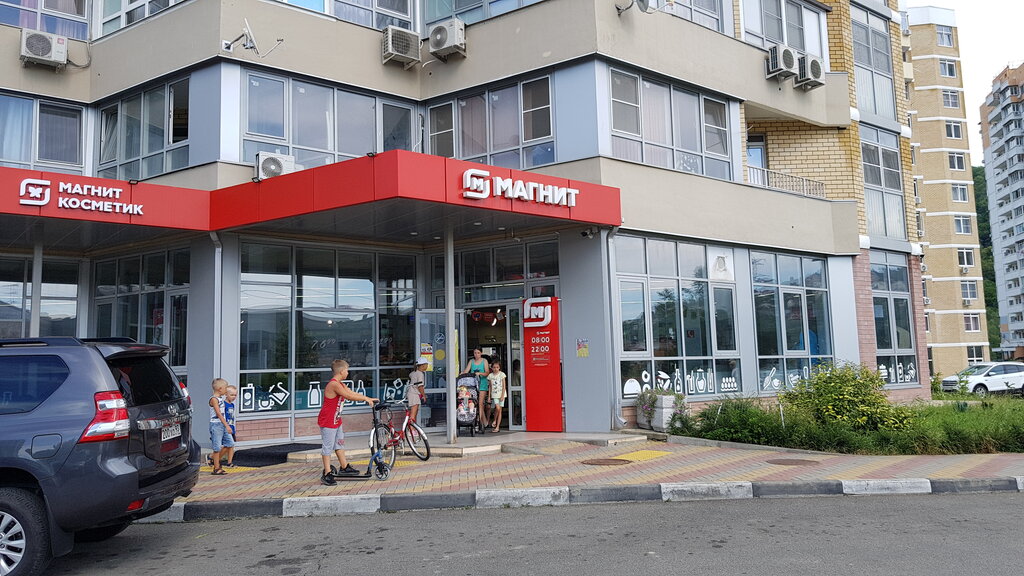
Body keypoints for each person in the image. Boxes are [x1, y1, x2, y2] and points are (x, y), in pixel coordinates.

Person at [318, 359, 377, 486]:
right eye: (347, 370)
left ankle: (344, 467)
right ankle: (327, 473)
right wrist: (365, 399)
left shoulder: (340, 384)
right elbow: (348, 396)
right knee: (328, 447)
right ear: (341, 371)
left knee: (339, 444)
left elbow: (351, 393)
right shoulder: (334, 385)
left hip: (336, 420)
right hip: (328, 420)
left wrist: (367, 398)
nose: (348, 373)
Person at [208, 378, 233, 476]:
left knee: (229, 443)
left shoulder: (221, 399)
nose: (226, 390)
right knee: (217, 447)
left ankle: (213, 459)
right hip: (216, 425)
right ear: (220, 389)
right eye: (226, 388)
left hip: (223, 424)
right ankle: (216, 468)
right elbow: (218, 413)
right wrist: (227, 426)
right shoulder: (214, 399)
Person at [463, 348, 489, 432]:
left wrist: (480, 373)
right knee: (474, 403)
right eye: (475, 353)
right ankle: (484, 422)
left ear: (481, 353)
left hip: (482, 384)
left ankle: (478, 422)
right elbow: (466, 371)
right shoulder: (471, 361)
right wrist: (461, 374)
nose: (476, 355)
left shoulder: (484, 361)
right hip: (473, 385)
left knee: (480, 403)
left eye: (478, 353)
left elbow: (487, 372)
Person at [407, 357, 429, 424]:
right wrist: (424, 395)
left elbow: (410, 375)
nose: (427, 366)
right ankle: (411, 428)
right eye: (427, 365)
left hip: (411, 393)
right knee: (413, 415)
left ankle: (412, 428)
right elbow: (420, 386)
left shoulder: (414, 373)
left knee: (413, 413)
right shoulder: (420, 374)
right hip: (414, 395)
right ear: (423, 365)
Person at [487, 361, 507, 432]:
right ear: (491, 368)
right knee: (497, 408)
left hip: (501, 394)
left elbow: (504, 386)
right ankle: (495, 420)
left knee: (499, 410)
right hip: (494, 394)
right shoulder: (490, 376)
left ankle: (497, 427)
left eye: (497, 367)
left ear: (499, 368)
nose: (495, 369)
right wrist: (489, 396)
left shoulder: (502, 374)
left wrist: (502, 395)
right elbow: (490, 387)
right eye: (494, 367)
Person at [223, 385, 238, 468]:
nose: (234, 397)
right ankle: (212, 457)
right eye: (232, 395)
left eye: (235, 395)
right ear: (226, 394)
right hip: (226, 428)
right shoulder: (223, 405)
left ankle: (229, 462)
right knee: (228, 445)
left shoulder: (232, 405)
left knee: (231, 446)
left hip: (231, 427)